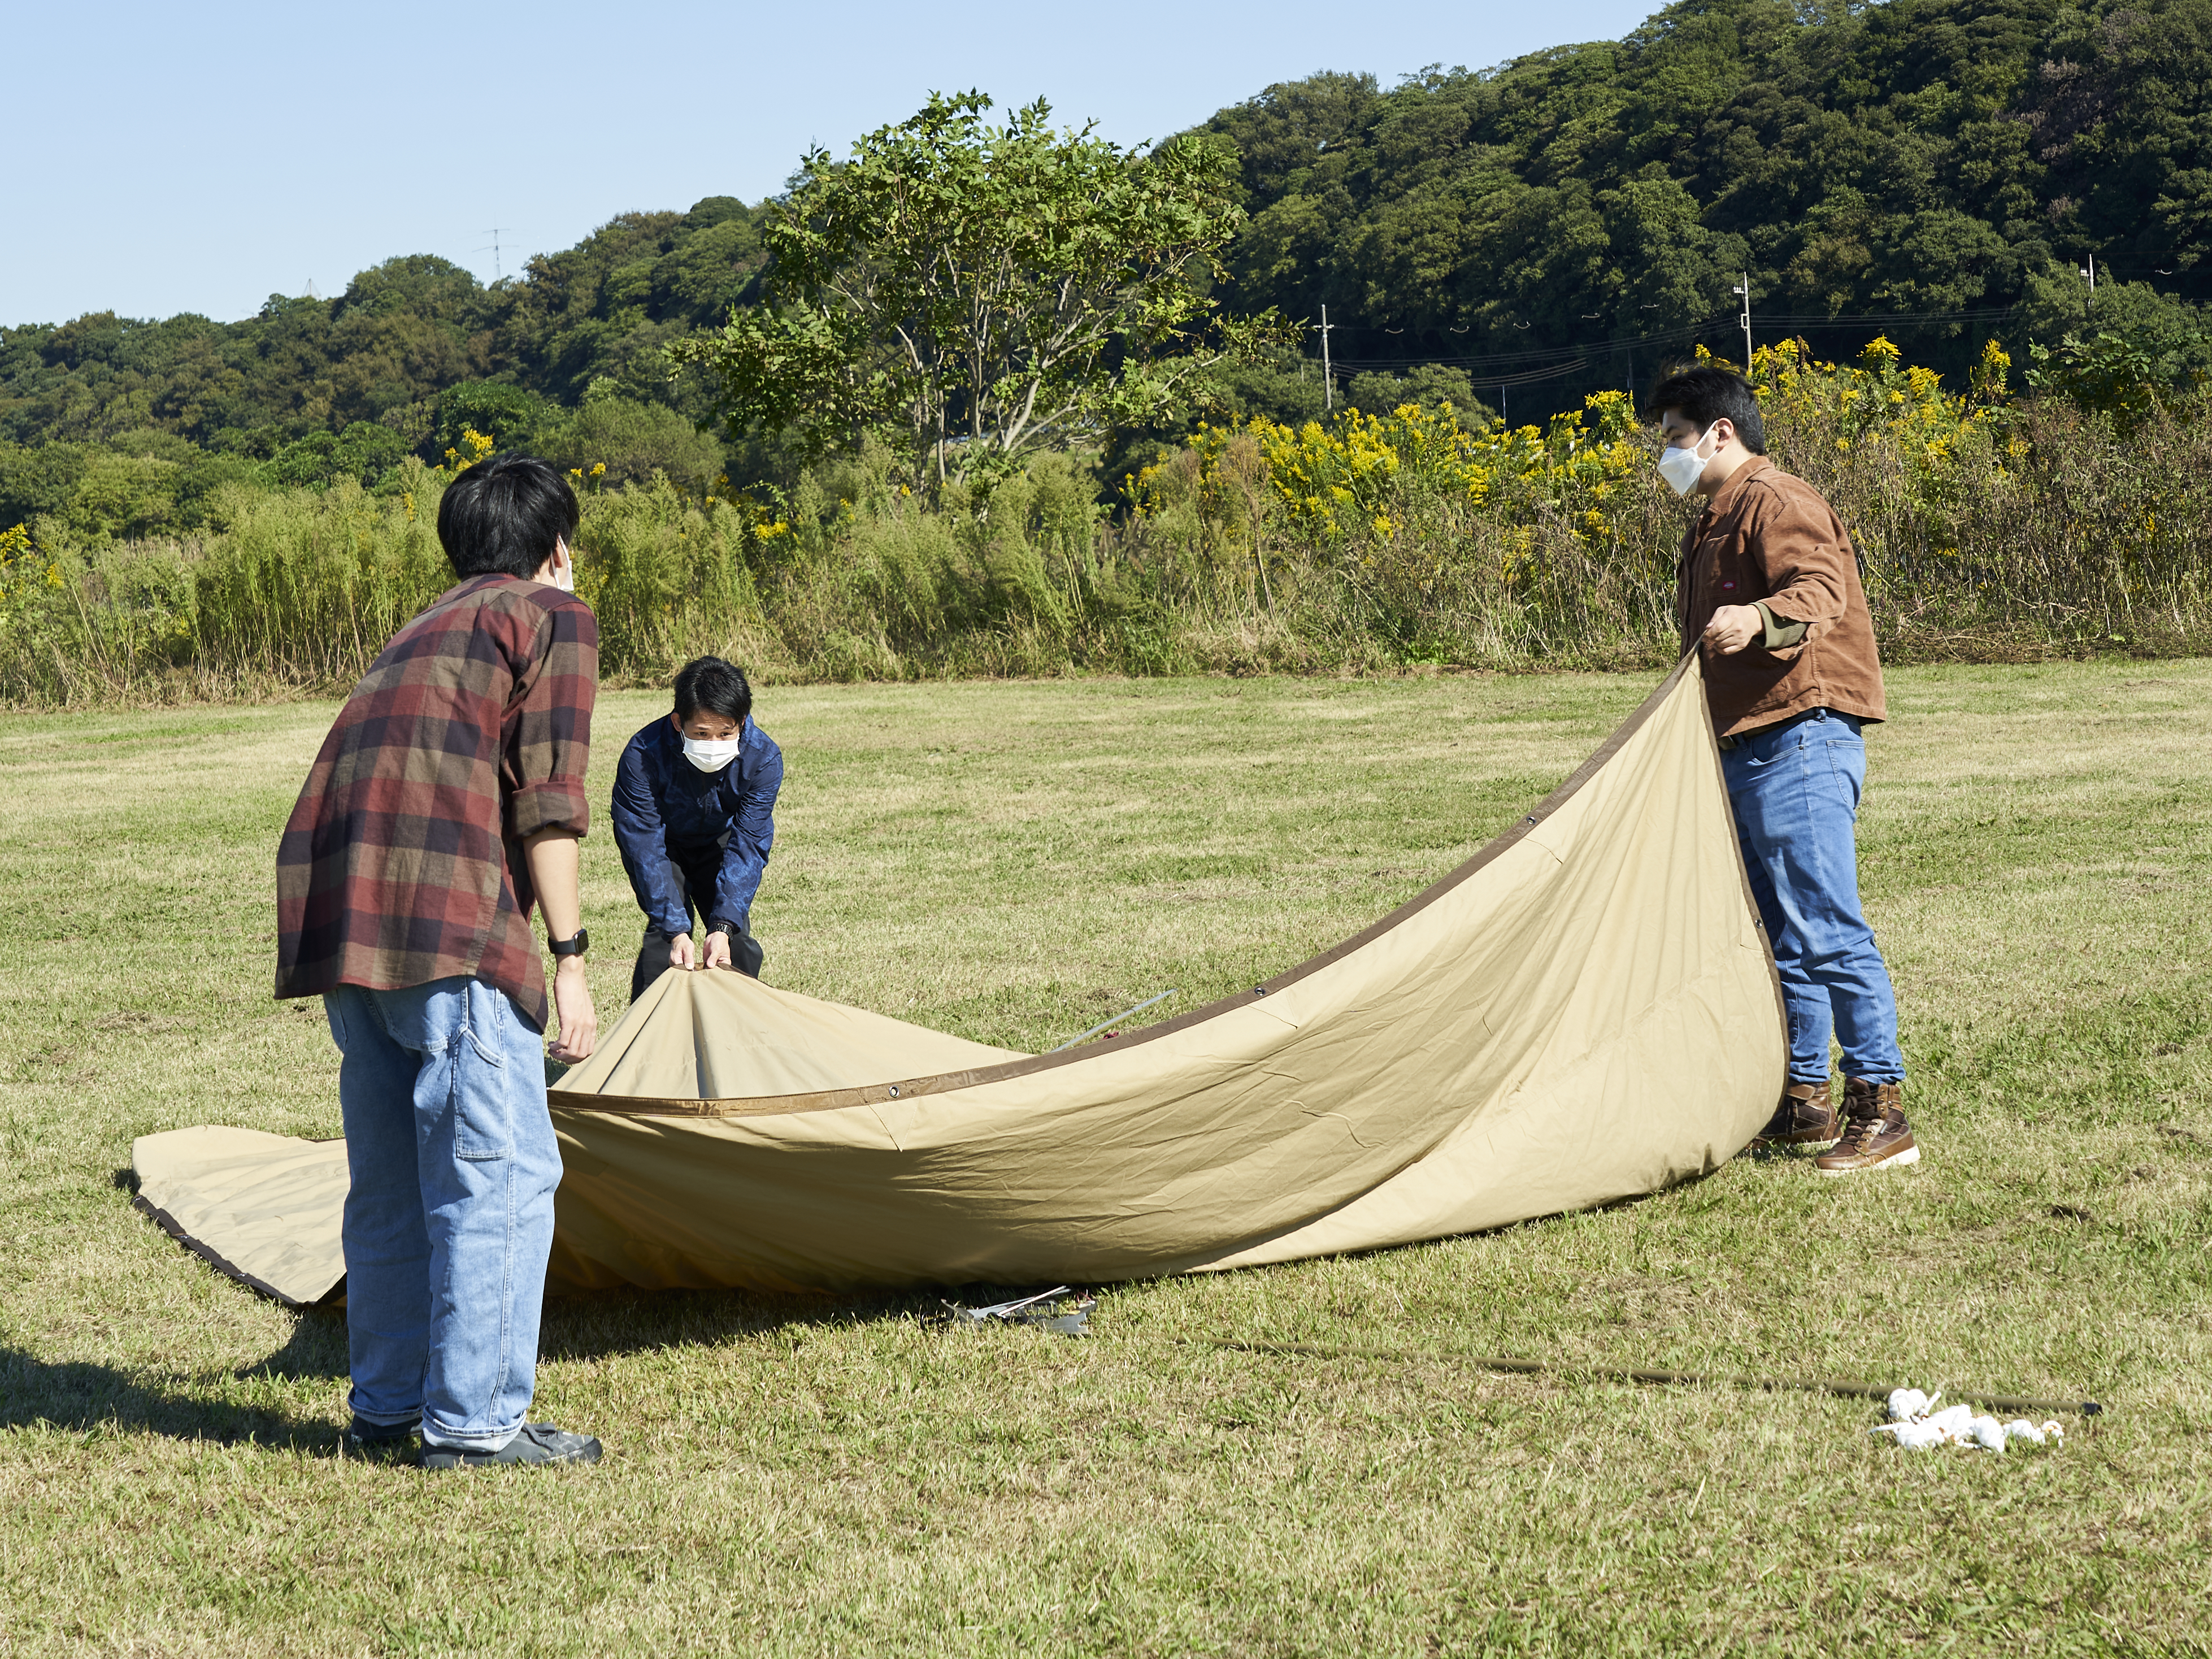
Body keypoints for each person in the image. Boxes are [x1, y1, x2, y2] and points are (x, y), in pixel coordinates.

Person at [273, 454, 605, 1467]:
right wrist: (573, 958)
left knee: (391, 1184)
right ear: (556, 548)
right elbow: (548, 803)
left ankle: (386, 1409)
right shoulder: (551, 614)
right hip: (447, 928)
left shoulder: (421, 626)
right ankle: (475, 1427)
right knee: (498, 1172)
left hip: (344, 922)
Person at [1648, 364, 1919, 1175]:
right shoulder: (1714, 517)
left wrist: (1757, 617)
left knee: (1824, 927)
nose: (1666, 454)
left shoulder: (1778, 501)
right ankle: (1802, 1103)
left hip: (1798, 734)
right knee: (1780, 936)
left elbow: (1819, 588)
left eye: (1672, 437)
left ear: (1718, 432)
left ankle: (1881, 1110)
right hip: (1747, 739)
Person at [611, 655, 784, 1000]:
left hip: (720, 841)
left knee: (736, 944)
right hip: (663, 843)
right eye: (702, 734)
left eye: (726, 733)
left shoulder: (762, 759)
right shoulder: (642, 755)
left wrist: (722, 926)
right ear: (678, 722)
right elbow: (643, 843)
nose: (714, 744)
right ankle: (647, 1042)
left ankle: (740, 1033)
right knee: (664, 946)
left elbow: (749, 842)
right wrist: (676, 930)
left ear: (743, 723)